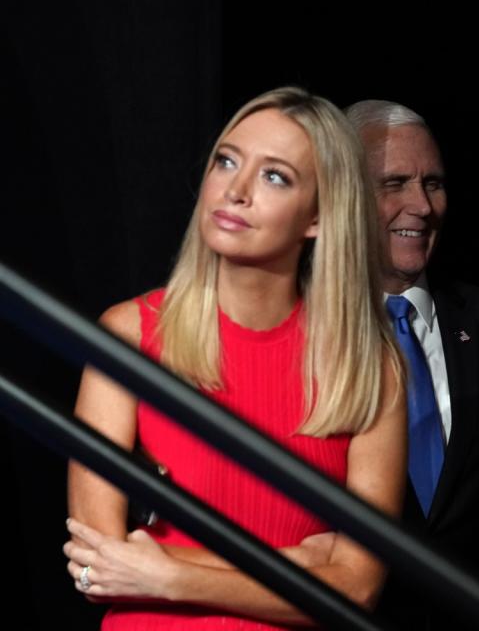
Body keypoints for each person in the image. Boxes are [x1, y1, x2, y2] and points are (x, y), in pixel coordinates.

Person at [63, 87, 407, 629]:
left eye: (275, 176)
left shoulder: (369, 369)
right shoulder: (129, 333)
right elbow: (97, 563)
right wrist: (296, 566)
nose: (235, 191)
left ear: (317, 217)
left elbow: (357, 589)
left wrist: (169, 574)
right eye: (226, 161)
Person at [345, 100, 479, 629]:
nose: (421, 204)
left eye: (434, 183)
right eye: (394, 183)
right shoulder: (295, 332)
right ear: (339, 193)